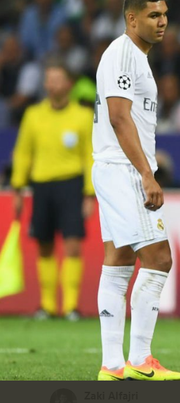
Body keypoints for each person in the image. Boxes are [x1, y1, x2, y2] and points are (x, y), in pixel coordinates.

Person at [92, 0, 180, 381]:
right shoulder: (123, 54)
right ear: (132, 18)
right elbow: (118, 116)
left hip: (113, 167)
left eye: (164, 15)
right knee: (160, 259)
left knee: (117, 264)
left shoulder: (134, 56)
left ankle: (112, 366)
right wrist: (146, 173)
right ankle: (142, 359)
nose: (162, 22)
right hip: (124, 170)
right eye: (153, 16)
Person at [11, 62, 94, 322]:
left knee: (72, 245)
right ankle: (47, 306)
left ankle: (70, 306)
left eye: (58, 78)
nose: (53, 84)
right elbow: (24, 152)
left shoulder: (82, 116)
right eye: (49, 79)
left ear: (69, 84)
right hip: (41, 186)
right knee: (44, 246)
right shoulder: (33, 115)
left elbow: (89, 156)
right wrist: (17, 187)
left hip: (71, 184)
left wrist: (90, 194)